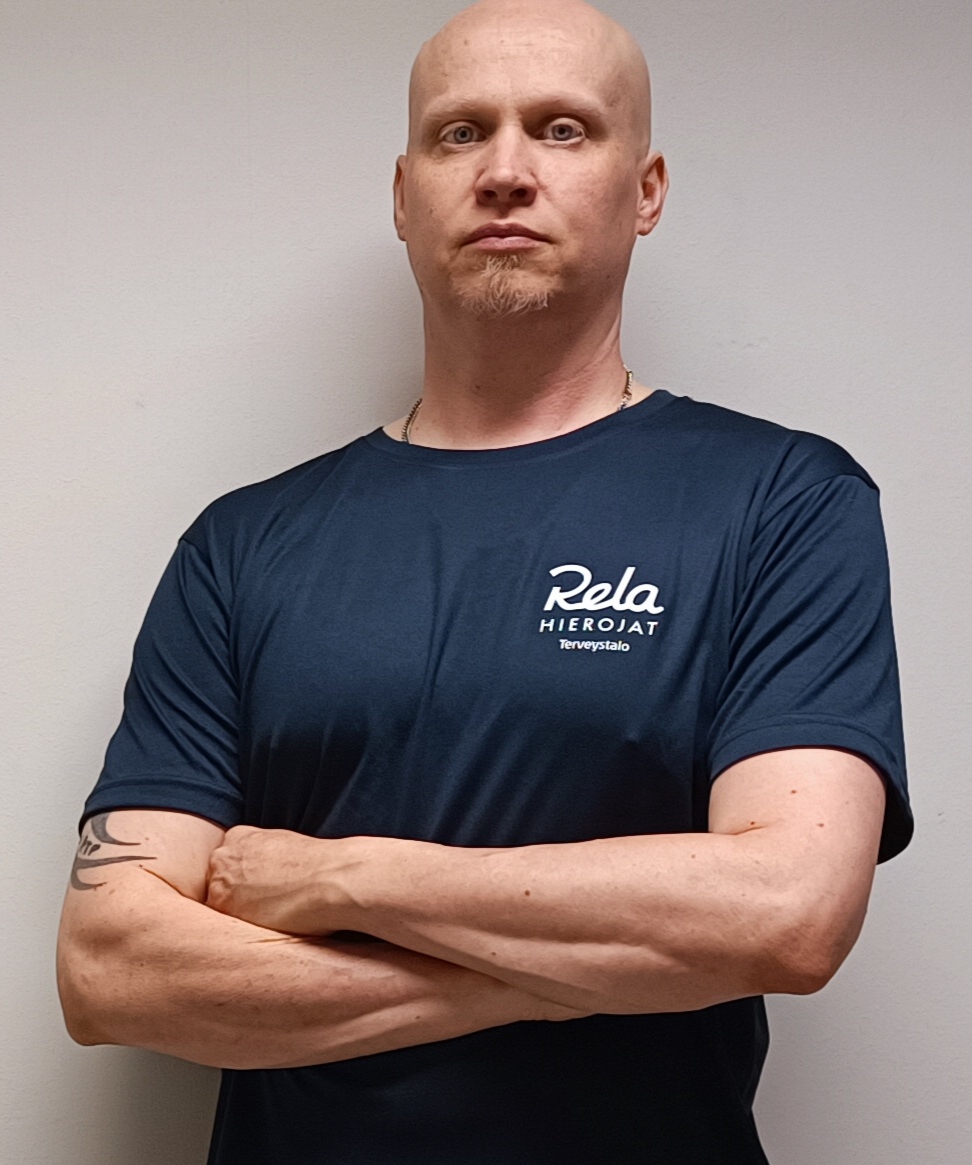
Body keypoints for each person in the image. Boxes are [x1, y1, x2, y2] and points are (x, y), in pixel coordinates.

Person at [56, 1, 913, 1162]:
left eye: (563, 129)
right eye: (459, 133)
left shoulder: (782, 501)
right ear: (404, 195)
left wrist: (344, 877)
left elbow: (788, 913)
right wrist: (570, 976)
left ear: (646, 189)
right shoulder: (241, 545)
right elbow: (111, 969)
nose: (506, 170)